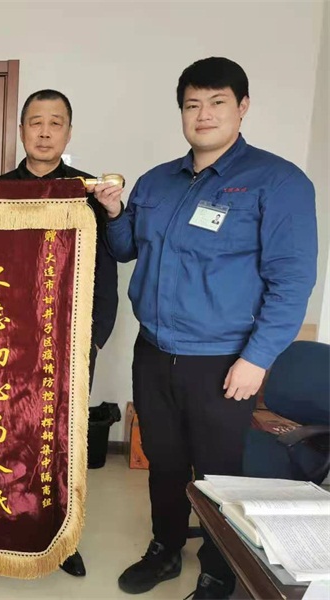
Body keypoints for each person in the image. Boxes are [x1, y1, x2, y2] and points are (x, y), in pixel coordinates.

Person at [95, 57, 317, 599]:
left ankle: (220, 569)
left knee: (220, 471)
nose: (204, 114)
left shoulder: (277, 182)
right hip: (154, 351)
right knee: (165, 462)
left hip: (223, 359)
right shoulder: (157, 181)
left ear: (243, 107)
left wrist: (257, 359)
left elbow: (292, 281)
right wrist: (115, 212)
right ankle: (165, 548)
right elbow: (125, 249)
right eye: (192, 104)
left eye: (218, 102)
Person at [0, 89, 119, 578]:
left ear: (68, 132)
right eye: (35, 122)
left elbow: (107, 267)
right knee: (5, 433)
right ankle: (4, 523)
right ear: (21, 130)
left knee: (60, 439)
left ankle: (61, 536)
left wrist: (95, 335)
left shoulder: (88, 192)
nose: (44, 132)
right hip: (6, 340)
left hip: (69, 342)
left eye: (55, 123)